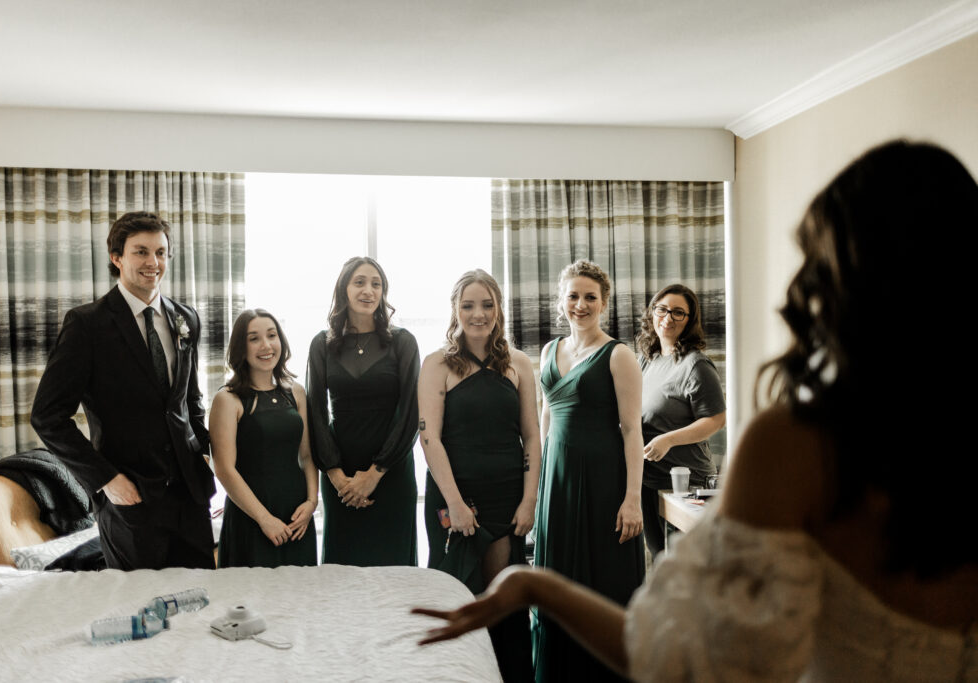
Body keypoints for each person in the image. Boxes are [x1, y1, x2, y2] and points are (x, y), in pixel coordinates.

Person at [413, 140, 978, 681]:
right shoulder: (557, 356)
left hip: (606, 478)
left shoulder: (795, 446)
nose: (793, 296)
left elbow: (677, 655)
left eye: (817, 267)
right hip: (562, 484)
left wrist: (537, 587)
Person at [31, 211, 215, 570]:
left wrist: (204, 450)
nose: (153, 262)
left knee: (202, 602)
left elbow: (189, 398)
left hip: (190, 496)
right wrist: (106, 480)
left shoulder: (186, 318)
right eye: (141, 252)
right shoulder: (87, 325)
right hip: (130, 498)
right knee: (141, 612)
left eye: (161, 252)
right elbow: (48, 416)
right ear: (117, 258)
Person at [418, 269, 540, 681]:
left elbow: (532, 436)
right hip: (454, 497)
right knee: (458, 596)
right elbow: (429, 438)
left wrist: (529, 499)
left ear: (499, 309)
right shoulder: (437, 364)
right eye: (468, 305)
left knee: (502, 601)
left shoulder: (519, 363)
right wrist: (454, 501)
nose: (478, 314)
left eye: (487, 304)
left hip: (507, 498)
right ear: (455, 309)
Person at [532, 259, 645, 682]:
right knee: (555, 580)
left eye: (590, 297)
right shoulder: (547, 351)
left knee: (602, 583)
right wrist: (541, 485)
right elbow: (545, 419)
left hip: (603, 484)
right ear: (561, 301)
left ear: (604, 303)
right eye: (573, 296)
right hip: (557, 484)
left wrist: (632, 499)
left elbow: (633, 430)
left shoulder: (619, 355)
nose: (581, 305)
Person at [305, 256, 420, 566]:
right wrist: (336, 475)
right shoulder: (322, 345)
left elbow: (411, 413)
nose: (368, 290)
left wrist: (375, 473)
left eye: (376, 284)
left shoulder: (402, 342)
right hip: (340, 477)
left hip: (391, 475)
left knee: (394, 573)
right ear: (344, 289)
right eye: (359, 282)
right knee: (343, 575)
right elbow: (314, 414)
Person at [209, 309, 318, 568]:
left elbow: (306, 456)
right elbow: (224, 469)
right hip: (252, 516)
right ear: (240, 347)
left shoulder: (296, 392)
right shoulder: (228, 399)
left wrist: (312, 502)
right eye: (254, 338)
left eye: (272, 335)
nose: (266, 345)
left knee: (301, 598)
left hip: (297, 517)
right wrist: (264, 519)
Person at [636, 284, 726, 557]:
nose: (668, 318)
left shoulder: (695, 365)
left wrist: (669, 439)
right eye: (662, 309)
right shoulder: (647, 360)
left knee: (686, 564)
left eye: (678, 313)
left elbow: (716, 419)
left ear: (689, 321)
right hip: (649, 479)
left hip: (685, 483)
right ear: (652, 313)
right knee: (659, 555)